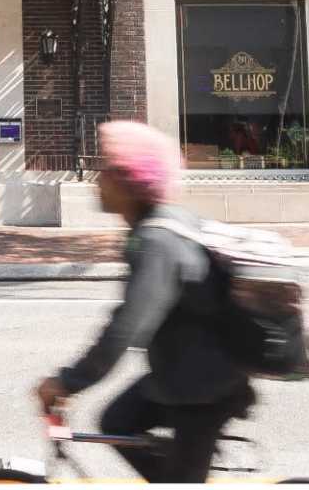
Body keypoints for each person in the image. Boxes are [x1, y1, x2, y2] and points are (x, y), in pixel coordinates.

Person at [34, 119, 251, 483]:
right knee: (117, 421)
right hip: (180, 377)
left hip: (204, 390)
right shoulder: (159, 227)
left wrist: (67, 382)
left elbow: (126, 327)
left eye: (108, 169)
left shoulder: (157, 241)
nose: (98, 178)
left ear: (130, 180)